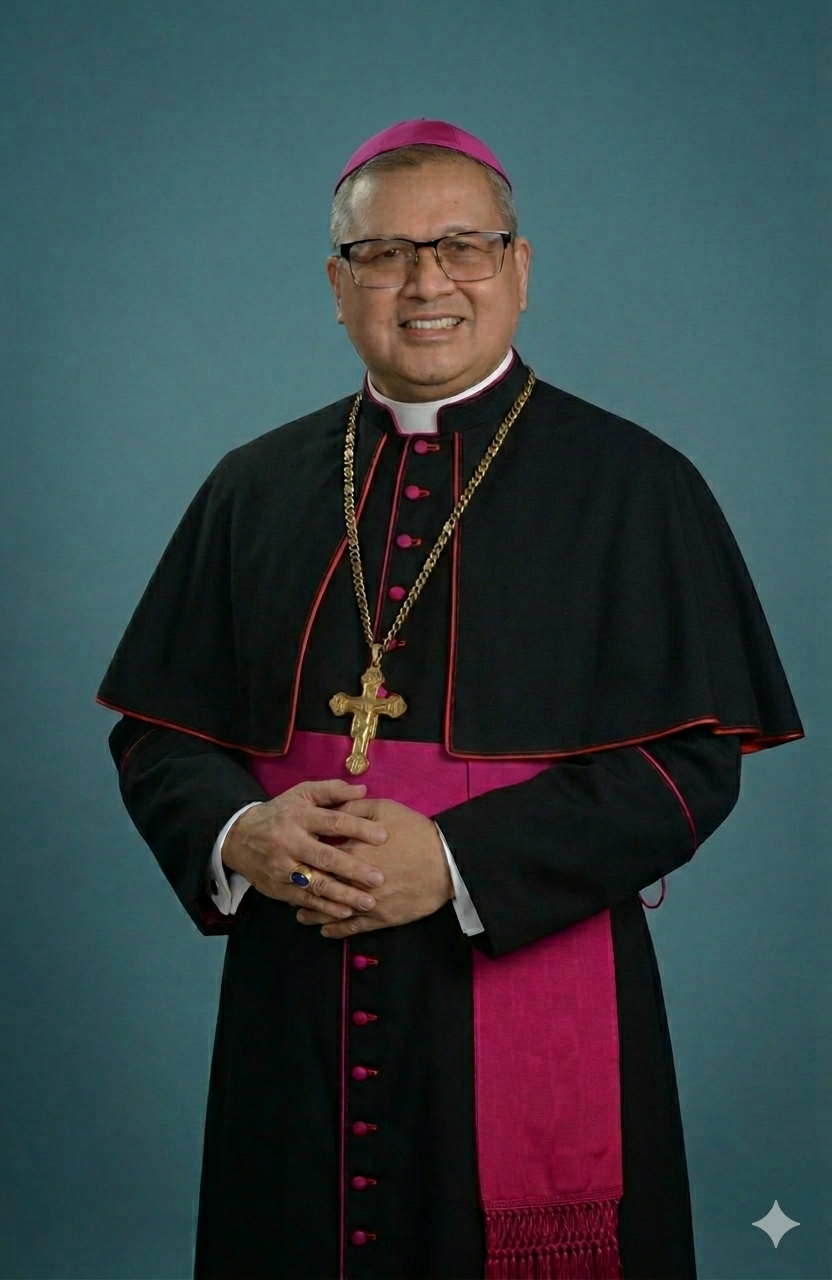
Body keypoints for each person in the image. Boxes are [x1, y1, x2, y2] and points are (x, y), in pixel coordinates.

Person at [98, 119, 803, 1280]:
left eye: (461, 246)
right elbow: (160, 729)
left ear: (519, 269)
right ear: (338, 286)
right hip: (297, 993)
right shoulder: (252, 484)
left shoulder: (636, 483)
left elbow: (688, 765)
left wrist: (457, 860)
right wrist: (242, 831)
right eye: (380, 254)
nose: (424, 281)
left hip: (531, 967)